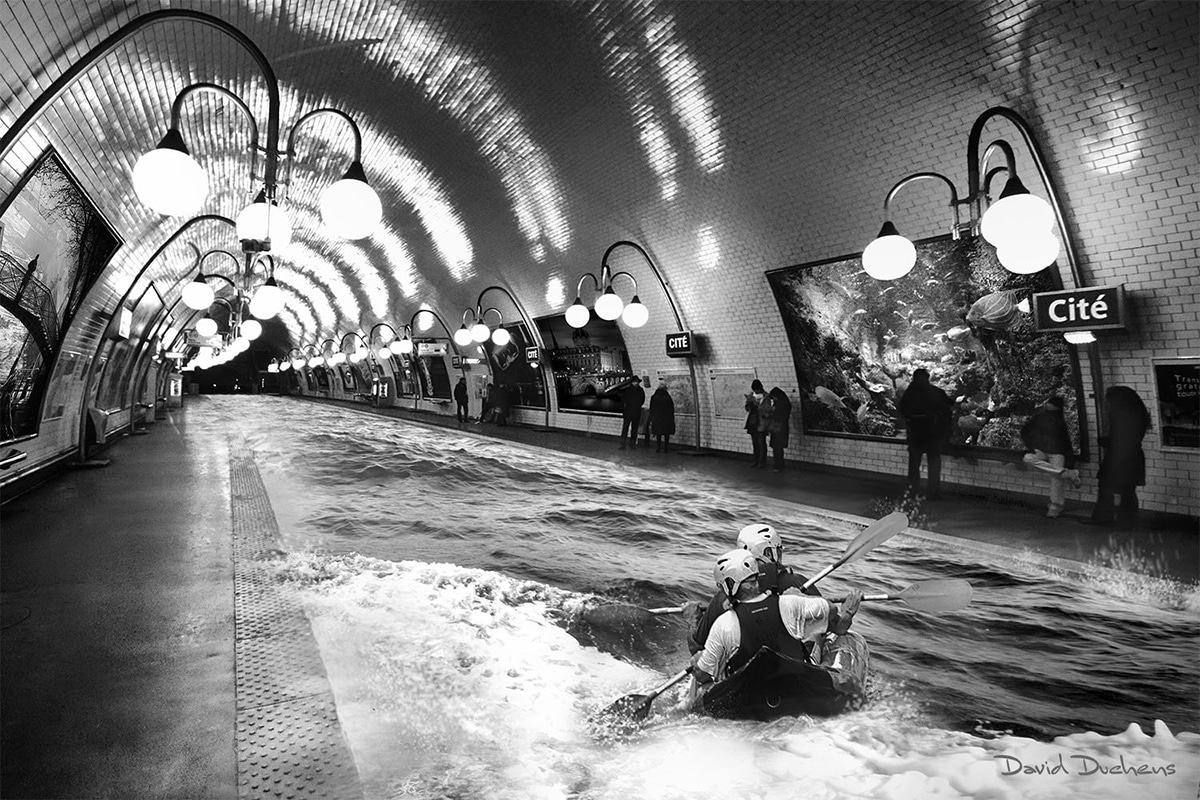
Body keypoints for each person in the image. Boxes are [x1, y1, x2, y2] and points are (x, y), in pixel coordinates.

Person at [691, 549, 864, 687]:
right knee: (815, 633)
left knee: (707, 669)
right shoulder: (790, 604)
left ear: (728, 585)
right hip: (797, 685)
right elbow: (834, 614)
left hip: (752, 695)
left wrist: (697, 664)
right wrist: (846, 611)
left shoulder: (723, 624)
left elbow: (704, 675)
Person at [686, 523, 821, 654]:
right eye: (778, 549)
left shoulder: (724, 595)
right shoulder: (796, 581)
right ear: (768, 552)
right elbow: (828, 621)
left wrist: (692, 619)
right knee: (819, 629)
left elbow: (696, 648)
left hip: (747, 669)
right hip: (793, 665)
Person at [1089, 385, 1151, 527]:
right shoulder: (1137, 413)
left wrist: (1106, 441)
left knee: (1106, 488)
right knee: (1127, 491)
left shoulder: (1121, 415)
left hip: (1120, 458)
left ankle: (1104, 518)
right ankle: (1126, 521)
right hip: (1132, 458)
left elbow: (1120, 440)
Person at [1020, 395, 1080, 518]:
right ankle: (1068, 473)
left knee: (1056, 478)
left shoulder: (1043, 418)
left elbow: (1025, 432)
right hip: (1048, 451)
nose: (1047, 404)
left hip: (1054, 451)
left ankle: (1055, 507)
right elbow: (1066, 442)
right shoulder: (1055, 420)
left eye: (1050, 403)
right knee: (1056, 477)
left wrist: (1032, 446)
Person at [898, 368, 953, 499]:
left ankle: (913, 491)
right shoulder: (935, 392)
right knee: (933, 463)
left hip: (916, 434)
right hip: (932, 434)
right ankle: (933, 492)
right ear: (927, 378)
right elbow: (948, 406)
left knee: (914, 465)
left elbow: (902, 408)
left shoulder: (910, 393)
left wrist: (911, 420)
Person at [766, 387, 792, 472]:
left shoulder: (780, 404)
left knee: (776, 447)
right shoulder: (785, 403)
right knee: (778, 447)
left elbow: (778, 416)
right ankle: (780, 464)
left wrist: (771, 413)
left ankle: (777, 465)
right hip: (782, 427)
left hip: (778, 427)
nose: (773, 399)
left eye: (773, 397)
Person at [744, 379, 767, 468]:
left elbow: (766, 409)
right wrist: (749, 403)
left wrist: (757, 405)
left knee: (761, 443)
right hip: (753, 422)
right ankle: (756, 460)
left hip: (762, 422)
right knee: (755, 443)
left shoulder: (766, 396)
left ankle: (762, 461)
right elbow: (747, 409)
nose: (756, 391)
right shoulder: (751, 396)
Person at [618, 376, 645, 449]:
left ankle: (624, 444)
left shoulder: (627, 390)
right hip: (635, 412)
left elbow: (623, 400)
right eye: (635, 382)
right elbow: (642, 401)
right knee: (633, 429)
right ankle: (631, 444)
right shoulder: (640, 391)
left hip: (628, 412)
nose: (635, 383)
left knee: (626, 429)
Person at [648, 383, 676, 453]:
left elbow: (651, 408)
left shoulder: (654, 397)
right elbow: (671, 408)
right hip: (666, 418)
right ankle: (666, 448)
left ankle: (658, 447)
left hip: (657, 417)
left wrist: (651, 418)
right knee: (666, 433)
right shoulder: (668, 397)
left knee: (658, 433)